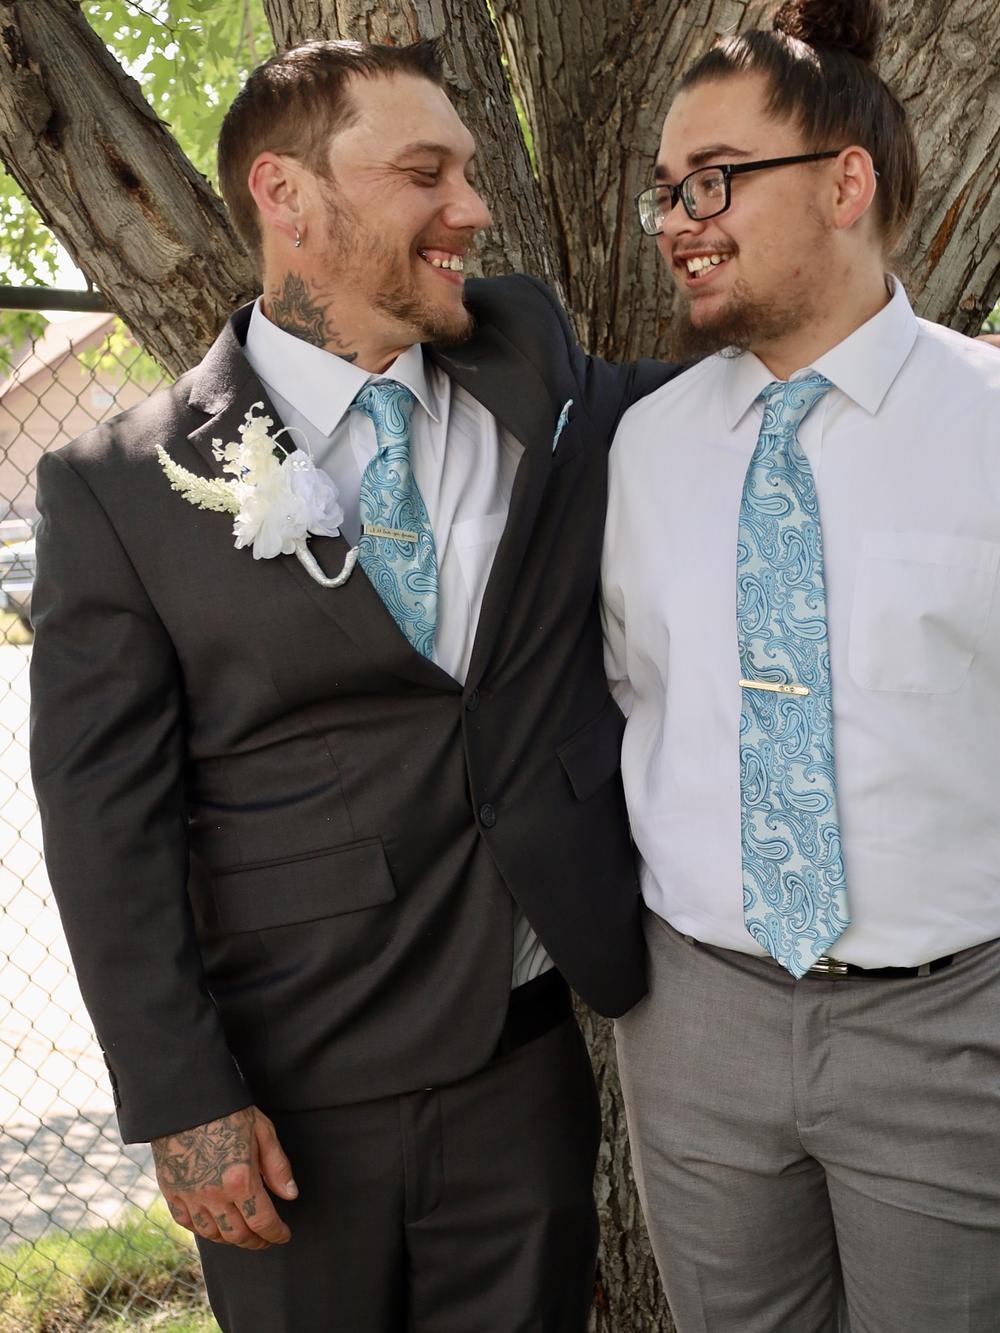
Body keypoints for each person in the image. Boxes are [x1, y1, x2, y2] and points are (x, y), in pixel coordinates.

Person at [29, 39, 674, 1333]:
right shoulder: (119, 488)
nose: (472, 209)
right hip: (288, 1096)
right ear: (287, 195)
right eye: (426, 174)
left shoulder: (539, 371)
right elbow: (107, 823)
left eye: (469, 173)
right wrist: (182, 1095)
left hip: (524, 1065)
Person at [601, 1, 1000, 1329]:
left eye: (714, 179)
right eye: (668, 190)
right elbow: (630, 691)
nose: (678, 220)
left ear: (846, 183)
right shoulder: (645, 448)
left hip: (951, 1029)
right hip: (696, 1018)